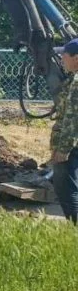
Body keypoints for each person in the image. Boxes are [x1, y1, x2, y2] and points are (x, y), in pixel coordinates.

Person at [51, 38, 78, 225]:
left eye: (65, 55)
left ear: (76, 58)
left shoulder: (76, 82)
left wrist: (63, 148)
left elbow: (72, 117)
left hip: (71, 145)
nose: (61, 58)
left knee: (66, 188)